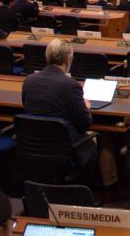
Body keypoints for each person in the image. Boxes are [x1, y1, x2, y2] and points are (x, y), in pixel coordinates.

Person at [21, 39, 96, 173]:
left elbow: (26, 107)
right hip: (65, 147)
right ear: (68, 59)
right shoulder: (71, 85)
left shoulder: (28, 80)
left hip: (34, 143)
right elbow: (85, 124)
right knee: (100, 138)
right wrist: (86, 108)